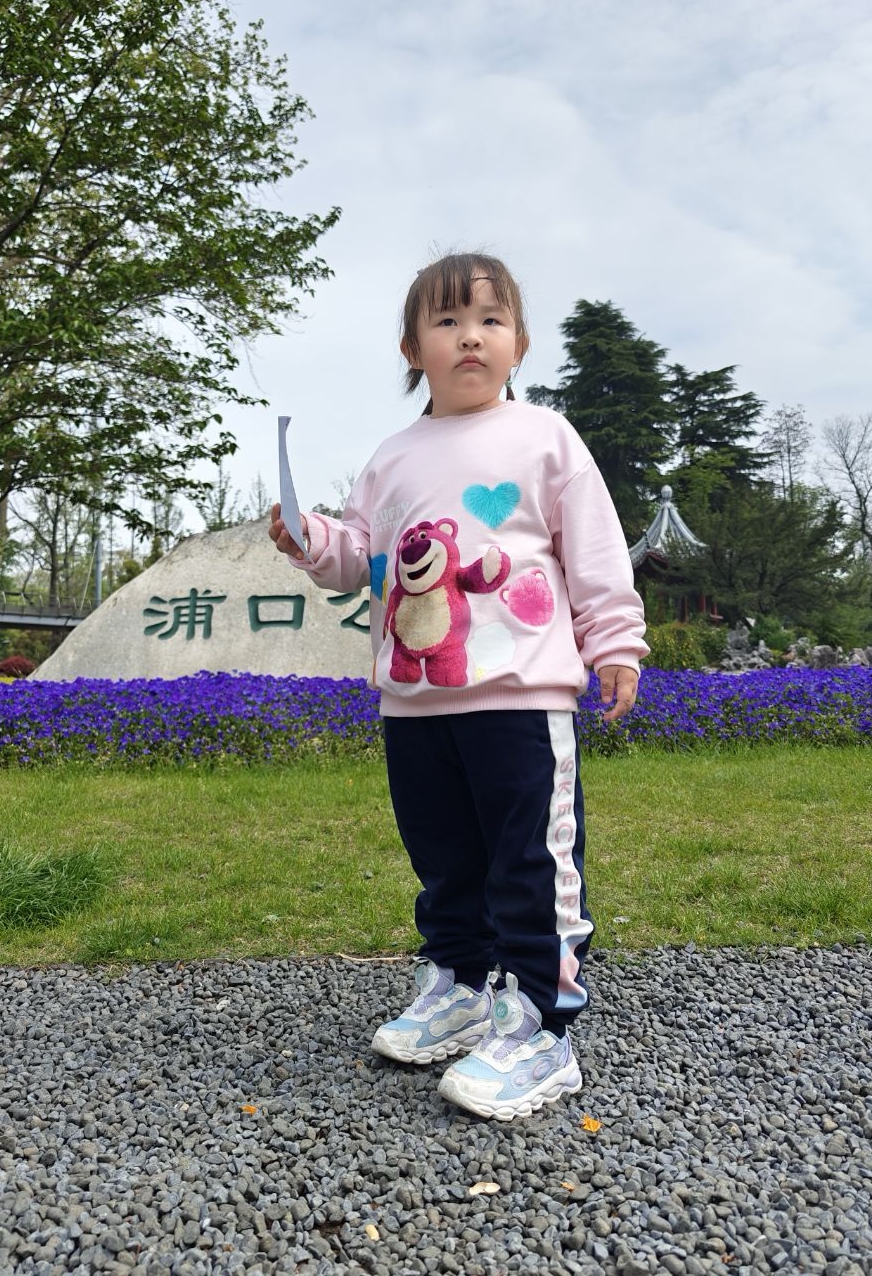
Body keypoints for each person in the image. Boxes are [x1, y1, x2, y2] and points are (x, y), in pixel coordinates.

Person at [268, 252, 647, 1121]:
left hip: (520, 696)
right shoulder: (392, 457)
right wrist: (310, 539)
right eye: (447, 321)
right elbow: (360, 556)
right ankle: (462, 986)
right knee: (443, 860)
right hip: (413, 701)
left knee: (530, 862)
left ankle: (543, 1028)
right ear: (413, 349)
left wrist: (615, 642)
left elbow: (594, 552)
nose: (470, 336)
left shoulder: (546, 438)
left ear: (519, 343)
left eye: (489, 319)